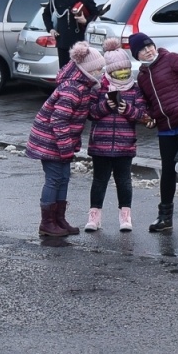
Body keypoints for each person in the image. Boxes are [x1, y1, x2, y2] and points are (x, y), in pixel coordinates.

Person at [26, 43, 106, 237]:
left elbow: (89, 111)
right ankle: (47, 222)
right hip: (50, 141)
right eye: (98, 69)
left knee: (63, 179)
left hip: (61, 143)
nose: (101, 73)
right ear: (87, 70)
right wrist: (65, 147)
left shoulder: (84, 87)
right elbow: (58, 119)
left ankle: (59, 218)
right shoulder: (72, 89)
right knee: (54, 180)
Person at [131, 32, 178, 234]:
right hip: (165, 129)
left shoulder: (170, 59)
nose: (148, 51)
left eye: (150, 46)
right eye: (142, 49)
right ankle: (165, 218)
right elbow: (147, 102)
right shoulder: (142, 76)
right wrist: (149, 117)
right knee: (168, 171)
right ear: (136, 54)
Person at [84, 40, 145, 232]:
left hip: (125, 144)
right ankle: (94, 216)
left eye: (127, 71)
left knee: (124, 181)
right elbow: (90, 113)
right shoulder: (98, 88)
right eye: (119, 72)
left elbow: (142, 115)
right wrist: (104, 107)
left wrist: (127, 110)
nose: (124, 75)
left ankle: (125, 215)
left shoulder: (135, 90)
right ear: (109, 72)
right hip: (100, 144)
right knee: (99, 181)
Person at [43, 0, 98, 68]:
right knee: (64, 71)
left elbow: (95, 14)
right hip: (63, 41)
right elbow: (46, 14)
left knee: (80, 71)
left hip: (79, 42)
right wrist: (51, 29)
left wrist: (85, 21)